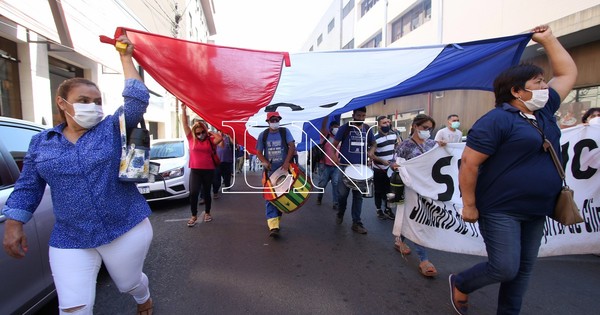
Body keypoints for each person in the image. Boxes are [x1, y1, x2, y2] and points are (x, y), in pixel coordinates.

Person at [2, 34, 155, 314]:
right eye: (83, 100)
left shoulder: (112, 128)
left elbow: (136, 99)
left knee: (128, 282)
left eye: (97, 101)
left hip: (124, 226)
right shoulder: (41, 142)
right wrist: (14, 223)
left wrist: (125, 57)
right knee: (74, 308)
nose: (93, 106)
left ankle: (141, 295)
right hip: (70, 238)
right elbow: (27, 186)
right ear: (62, 103)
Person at [449, 25, 577, 315]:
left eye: (545, 82)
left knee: (522, 272)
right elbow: (469, 163)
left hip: (537, 208)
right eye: (538, 83)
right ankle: (461, 282)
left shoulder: (543, 112)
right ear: (516, 91)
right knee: (505, 267)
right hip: (501, 208)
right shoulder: (496, 120)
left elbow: (568, 74)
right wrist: (469, 204)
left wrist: (548, 39)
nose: (545, 87)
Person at [393, 114, 442, 277]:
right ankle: (424, 259)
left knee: (411, 218)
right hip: (410, 188)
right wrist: (396, 166)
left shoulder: (432, 144)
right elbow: (396, 163)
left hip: (428, 188)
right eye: (424, 128)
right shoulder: (404, 146)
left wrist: (445, 147)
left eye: (430, 129)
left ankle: (399, 240)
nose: (427, 131)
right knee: (417, 220)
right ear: (414, 126)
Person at [332, 107, 376, 234]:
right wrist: (335, 157)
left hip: (361, 169)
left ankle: (356, 223)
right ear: (353, 115)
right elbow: (334, 145)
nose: (361, 118)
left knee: (358, 197)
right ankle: (340, 212)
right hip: (345, 167)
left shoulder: (367, 129)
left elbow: (373, 143)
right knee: (342, 195)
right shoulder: (345, 128)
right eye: (359, 115)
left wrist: (371, 153)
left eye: (363, 116)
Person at [256, 111, 296, 238]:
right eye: (272, 120)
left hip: (284, 171)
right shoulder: (263, 135)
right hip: (270, 172)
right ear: (268, 122)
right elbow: (258, 152)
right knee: (270, 197)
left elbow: (292, 146)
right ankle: (273, 226)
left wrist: (286, 162)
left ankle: (276, 220)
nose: (275, 122)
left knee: (281, 196)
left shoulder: (285, 132)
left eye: (277, 120)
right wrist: (265, 162)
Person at [181, 106, 222, 226]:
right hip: (195, 170)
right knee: (194, 192)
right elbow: (184, 124)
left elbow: (219, 138)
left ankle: (207, 213)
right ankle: (194, 215)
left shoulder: (210, 140)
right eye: (198, 133)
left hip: (208, 170)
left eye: (202, 132)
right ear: (194, 133)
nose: (201, 134)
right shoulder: (191, 139)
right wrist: (183, 110)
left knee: (206, 192)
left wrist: (209, 131)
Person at [370, 116, 400, 220]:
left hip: (390, 169)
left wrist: (395, 160)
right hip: (379, 169)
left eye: (388, 122)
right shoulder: (374, 138)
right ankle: (379, 210)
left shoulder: (393, 135)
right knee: (378, 190)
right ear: (379, 125)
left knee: (390, 191)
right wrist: (382, 161)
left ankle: (388, 209)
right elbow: (371, 154)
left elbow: (396, 148)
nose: (387, 124)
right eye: (384, 123)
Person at [316, 119, 341, 209]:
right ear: (330, 128)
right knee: (322, 183)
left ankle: (335, 203)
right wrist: (327, 115)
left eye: (338, 127)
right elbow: (323, 127)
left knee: (336, 183)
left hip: (336, 165)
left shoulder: (339, 139)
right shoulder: (325, 136)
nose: (337, 129)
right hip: (324, 165)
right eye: (335, 127)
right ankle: (319, 197)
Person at [213, 129, 234, 196]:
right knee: (216, 178)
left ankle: (227, 187)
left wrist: (229, 135)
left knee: (227, 177)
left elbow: (234, 143)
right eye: (219, 131)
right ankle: (215, 191)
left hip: (227, 162)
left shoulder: (228, 138)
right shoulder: (215, 139)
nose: (221, 132)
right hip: (217, 163)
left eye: (222, 131)